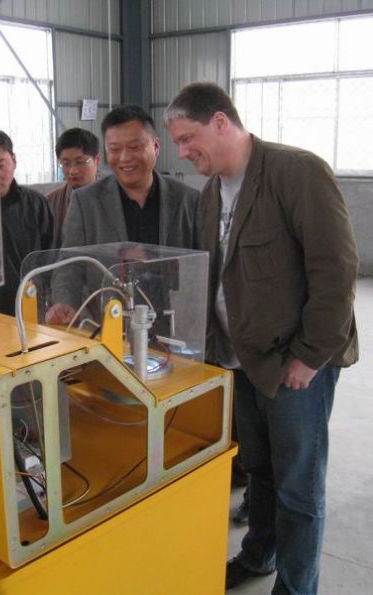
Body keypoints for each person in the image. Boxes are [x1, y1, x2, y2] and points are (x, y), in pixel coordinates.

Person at [164, 82, 358, 594]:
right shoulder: (210, 195)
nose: (182, 153)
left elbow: (336, 270)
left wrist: (310, 357)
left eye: (187, 138)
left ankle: (296, 586)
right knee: (259, 470)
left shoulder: (296, 172)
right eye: (178, 143)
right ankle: (260, 554)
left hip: (295, 365)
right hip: (239, 360)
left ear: (220, 122)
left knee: (298, 486)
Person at [45, 104, 199, 324]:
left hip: (173, 326)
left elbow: (199, 270)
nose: (125, 158)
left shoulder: (188, 200)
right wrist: (64, 304)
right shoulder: (86, 202)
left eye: (135, 147)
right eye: (115, 149)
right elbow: (69, 265)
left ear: (156, 147)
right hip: (109, 325)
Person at [0, 128, 53, 316]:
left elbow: (50, 255)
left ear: (14, 161)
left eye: (0, 165)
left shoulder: (36, 204)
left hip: (29, 306)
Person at [47, 128, 100, 248]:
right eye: (66, 163)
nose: (73, 171)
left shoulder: (114, 198)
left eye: (80, 162)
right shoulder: (50, 202)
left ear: (97, 161)